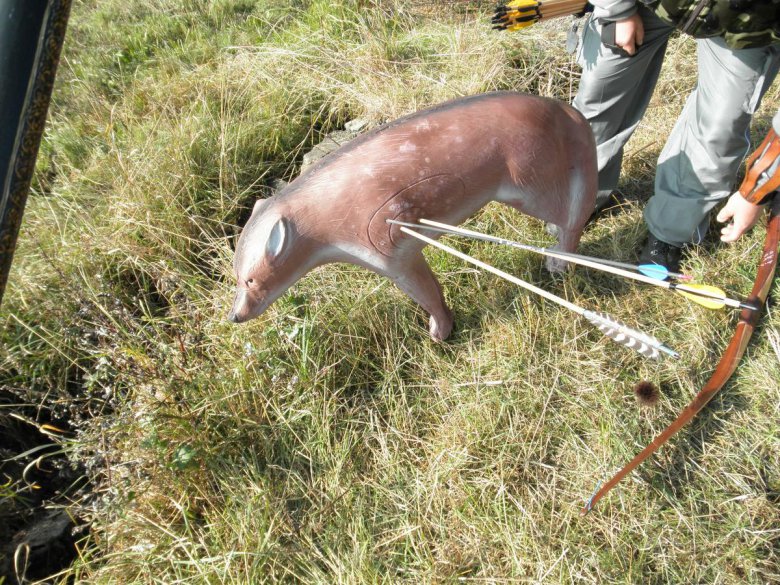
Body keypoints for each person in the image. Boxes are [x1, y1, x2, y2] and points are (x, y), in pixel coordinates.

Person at [571, 0, 780, 272]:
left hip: (751, 23)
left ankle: (669, 232)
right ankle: (574, 197)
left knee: (721, 125)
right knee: (599, 95)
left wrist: (758, 188)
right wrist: (617, 9)